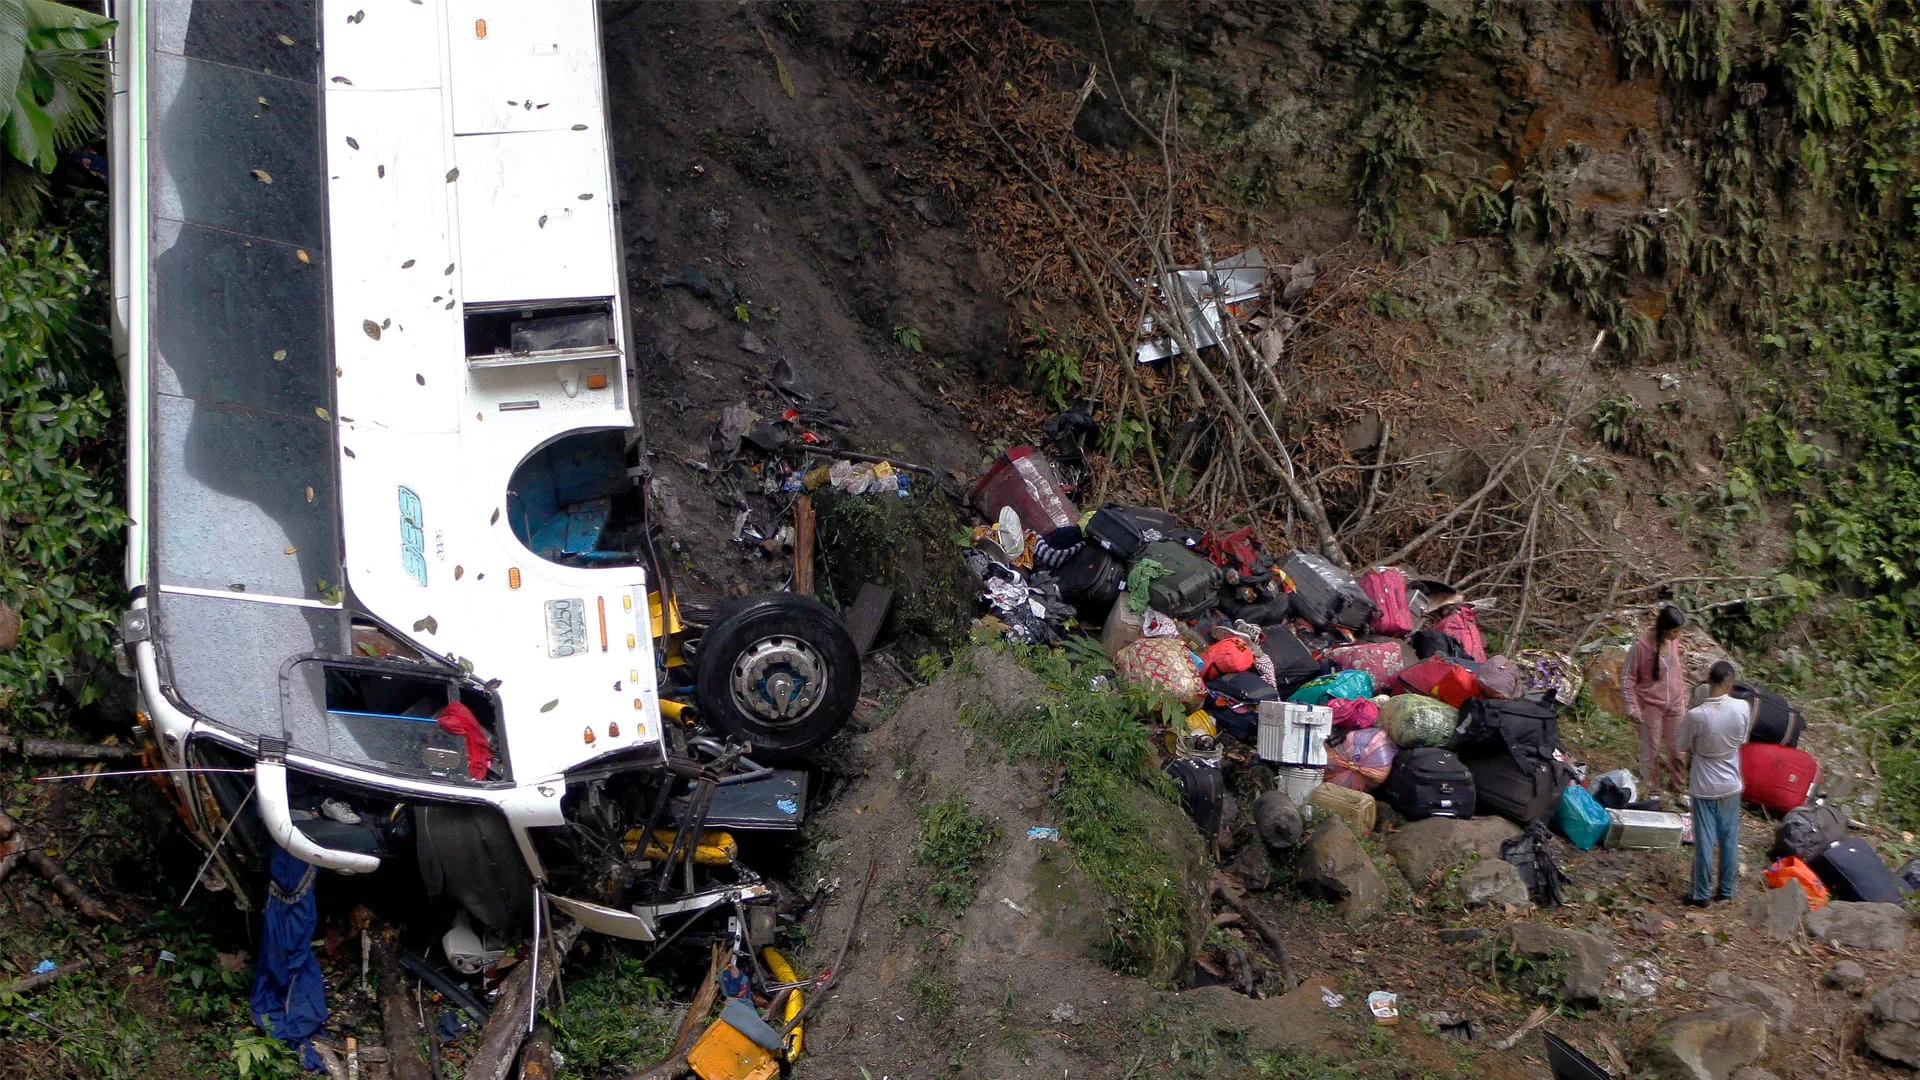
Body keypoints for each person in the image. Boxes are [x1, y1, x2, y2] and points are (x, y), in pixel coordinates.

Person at [1678, 660, 1752, 905]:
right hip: (1731, 781)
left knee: (1705, 840)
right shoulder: (1742, 707)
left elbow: (1682, 745)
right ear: (1729, 683)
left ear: (1709, 680)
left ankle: (1700, 893)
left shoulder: (1696, 715)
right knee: (1730, 838)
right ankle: (1727, 889)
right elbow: (1742, 739)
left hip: (1704, 783)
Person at [1623, 605, 1689, 798]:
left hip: (1675, 704)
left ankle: (1679, 787)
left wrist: (1683, 697)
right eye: (1674, 631)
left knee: (1678, 749)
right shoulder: (1641, 647)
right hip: (1651, 705)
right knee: (1650, 750)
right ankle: (1652, 790)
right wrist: (1632, 707)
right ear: (1664, 629)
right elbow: (1628, 678)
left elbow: (1676, 671)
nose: (1677, 635)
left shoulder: (1674, 642)